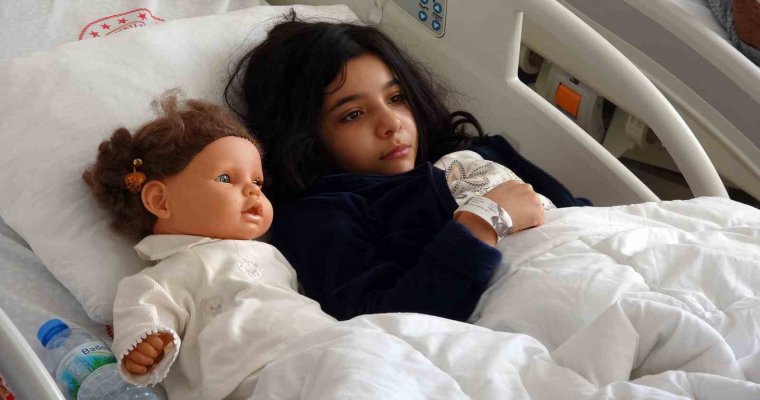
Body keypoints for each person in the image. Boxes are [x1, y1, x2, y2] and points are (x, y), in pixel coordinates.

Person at [225, 14, 590, 323]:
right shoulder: (321, 215)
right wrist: (482, 224)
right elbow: (384, 320)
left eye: (396, 98)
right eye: (353, 114)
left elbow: (582, 220)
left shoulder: (475, 152)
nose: (391, 123)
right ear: (304, 137)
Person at [82, 92, 335, 400]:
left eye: (257, 182)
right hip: (252, 379)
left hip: (326, 346)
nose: (253, 192)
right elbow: (142, 311)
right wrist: (145, 343)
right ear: (160, 201)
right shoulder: (163, 276)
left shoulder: (271, 253)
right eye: (226, 178)